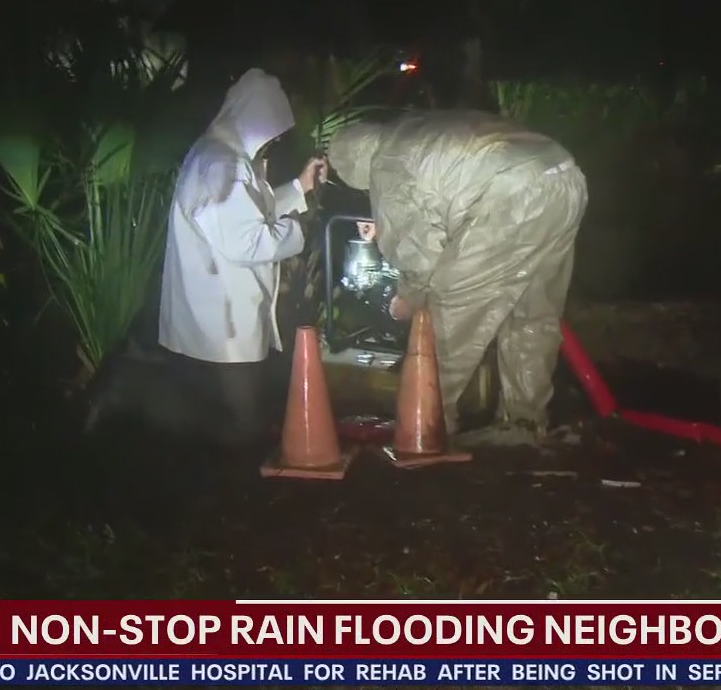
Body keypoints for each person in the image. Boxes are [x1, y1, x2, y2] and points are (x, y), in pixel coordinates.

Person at [327, 111, 588, 445]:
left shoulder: (385, 163)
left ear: (352, 164)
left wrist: (409, 297)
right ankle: (524, 423)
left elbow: (420, 256)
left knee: (447, 319)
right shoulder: (412, 130)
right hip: (564, 176)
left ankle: (427, 428)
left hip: (511, 196)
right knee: (532, 315)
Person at [158, 68, 327, 448]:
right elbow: (248, 241)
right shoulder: (223, 165)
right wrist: (303, 231)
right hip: (224, 325)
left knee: (221, 424)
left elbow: (250, 211)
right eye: (273, 133)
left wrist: (299, 187)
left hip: (218, 319)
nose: (275, 143)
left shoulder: (221, 154)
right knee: (239, 430)